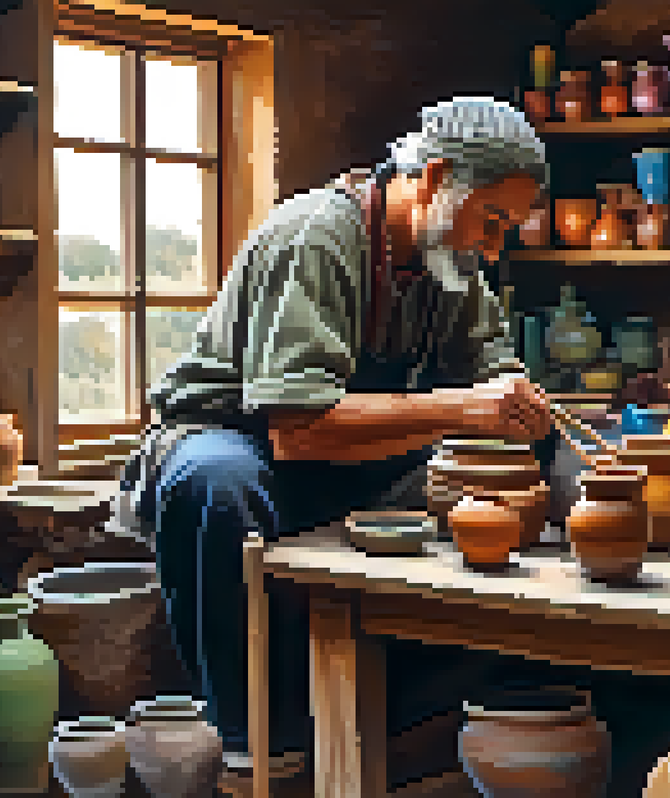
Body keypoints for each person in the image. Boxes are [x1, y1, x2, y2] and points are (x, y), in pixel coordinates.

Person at [110, 96, 555, 772]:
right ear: (435, 181)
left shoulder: (448, 262)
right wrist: (465, 408)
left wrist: (520, 403)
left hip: (342, 455)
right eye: (491, 221)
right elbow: (296, 429)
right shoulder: (318, 235)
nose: (493, 248)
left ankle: (419, 705)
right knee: (216, 484)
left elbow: (492, 368)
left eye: (508, 230)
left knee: (536, 458)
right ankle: (254, 739)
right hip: (239, 439)